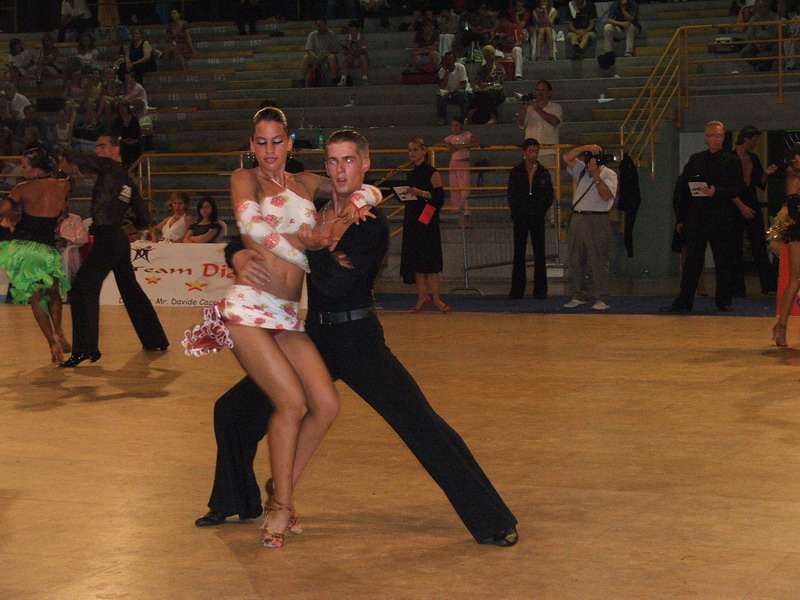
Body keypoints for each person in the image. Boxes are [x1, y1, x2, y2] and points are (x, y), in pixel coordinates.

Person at [195, 128, 519, 548]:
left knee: (420, 422)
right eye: (332, 160)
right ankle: (234, 501)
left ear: (364, 164)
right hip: (314, 336)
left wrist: (310, 248)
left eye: (349, 160)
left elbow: (336, 283)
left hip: (358, 340)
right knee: (233, 410)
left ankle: (492, 519)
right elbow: (257, 234)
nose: (340, 169)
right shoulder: (313, 209)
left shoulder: (370, 223)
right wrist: (237, 253)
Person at [183, 111, 381, 547]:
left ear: (290, 143)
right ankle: (282, 506)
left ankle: (280, 485)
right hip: (249, 309)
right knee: (290, 403)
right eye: (261, 141)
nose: (269, 150)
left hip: (289, 315)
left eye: (277, 141)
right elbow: (251, 228)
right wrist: (305, 245)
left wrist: (366, 199)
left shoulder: (307, 182)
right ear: (251, 145)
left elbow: (356, 185)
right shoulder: (245, 178)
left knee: (326, 405)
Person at [59, 135, 169, 367]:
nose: (98, 150)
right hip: (117, 237)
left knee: (82, 288)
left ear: (116, 149)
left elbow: (76, 155)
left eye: (102, 146)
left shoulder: (109, 167)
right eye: (96, 146)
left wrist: (67, 159)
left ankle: (85, 349)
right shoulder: (127, 179)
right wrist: (124, 229)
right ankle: (155, 339)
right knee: (130, 290)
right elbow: (144, 217)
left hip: (108, 238)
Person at [661, 121, 744, 313]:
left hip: (721, 217)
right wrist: (681, 218)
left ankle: (724, 300)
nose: (717, 139)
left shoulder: (732, 161)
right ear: (706, 138)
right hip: (697, 217)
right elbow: (683, 189)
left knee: (723, 260)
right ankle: (684, 300)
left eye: (720, 135)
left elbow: (738, 188)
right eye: (713, 135)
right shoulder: (696, 159)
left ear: (724, 137)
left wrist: (717, 191)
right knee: (692, 261)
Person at [0, 147, 71, 363]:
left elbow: (3, 209)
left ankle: (52, 343)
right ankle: (59, 331)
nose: (22, 170)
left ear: (37, 168)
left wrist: (16, 218)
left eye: (25, 166)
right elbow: (64, 212)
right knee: (54, 292)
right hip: (47, 248)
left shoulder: (22, 188)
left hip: (24, 248)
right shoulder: (63, 186)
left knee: (36, 297)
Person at [562, 143, 618, 311]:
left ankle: (602, 297)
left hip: (597, 218)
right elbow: (567, 158)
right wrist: (585, 147)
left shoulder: (609, 174)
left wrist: (596, 175)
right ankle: (579, 294)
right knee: (575, 258)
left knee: (599, 259)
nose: (592, 161)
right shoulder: (581, 170)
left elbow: (606, 195)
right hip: (578, 217)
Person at [401, 138, 449, 313]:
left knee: (431, 261)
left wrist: (420, 192)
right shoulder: (410, 174)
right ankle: (421, 296)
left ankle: (437, 299)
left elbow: (439, 197)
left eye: (415, 149)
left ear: (424, 151)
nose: (412, 153)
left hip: (427, 219)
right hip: (413, 217)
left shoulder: (432, 173)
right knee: (416, 261)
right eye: (410, 150)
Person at [731, 125, 778, 296]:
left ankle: (768, 284)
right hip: (734, 206)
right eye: (755, 140)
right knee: (735, 247)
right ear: (746, 139)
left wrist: (766, 174)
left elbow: (759, 182)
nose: (756, 143)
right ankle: (737, 287)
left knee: (759, 244)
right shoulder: (729, 158)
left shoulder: (753, 158)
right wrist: (741, 206)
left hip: (751, 202)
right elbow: (728, 187)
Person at [508, 138, 555, 299]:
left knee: (539, 253)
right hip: (521, 216)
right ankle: (517, 290)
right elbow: (512, 194)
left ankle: (540, 290)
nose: (533, 154)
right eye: (530, 151)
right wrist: (516, 211)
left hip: (537, 216)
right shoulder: (516, 171)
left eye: (536, 151)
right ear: (524, 152)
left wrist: (541, 210)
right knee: (519, 253)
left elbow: (549, 194)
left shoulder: (543, 172)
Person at [772, 143, 800, 346]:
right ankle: (781, 326)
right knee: (795, 280)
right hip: (797, 232)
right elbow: (794, 211)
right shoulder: (793, 179)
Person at [441, 117, 479, 229]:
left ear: (462, 125)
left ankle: (466, 218)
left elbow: (476, 143)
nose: (454, 128)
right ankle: (459, 218)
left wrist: (461, 146)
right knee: (455, 190)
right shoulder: (450, 138)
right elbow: (438, 143)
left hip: (463, 163)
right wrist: (448, 145)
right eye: (452, 126)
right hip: (453, 164)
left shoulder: (467, 134)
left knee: (464, 190)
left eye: (457, 125)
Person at [515, 79, 562, 167]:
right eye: (538, 90)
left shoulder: (556, 107)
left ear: (549, 93)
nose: (539, 93)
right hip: (530, 153)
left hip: (549, 152)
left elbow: (554, 121)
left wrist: (537, 109)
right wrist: (524, 106)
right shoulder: (529, 109)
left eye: (542, 90)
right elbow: (520, 124)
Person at [468, 45, 505, 125]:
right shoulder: (482, 69)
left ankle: (494, 117)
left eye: (491, 54)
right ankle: (472, 117)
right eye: (487, 55)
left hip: (497, 92)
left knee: (490, 94)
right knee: (475, 95)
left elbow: (499, 82)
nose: (490, 57)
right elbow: (478, 81)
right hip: (483, 91)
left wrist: (487, 84)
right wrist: (482, 85)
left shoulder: (499, 67)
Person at [740, 0, 779, 72]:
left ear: (767, 7)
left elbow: (777, 33)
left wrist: (769, 42)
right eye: (759, 7)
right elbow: (750, 34)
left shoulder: (775, 17)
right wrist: (757, 43)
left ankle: (762, 66)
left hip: (772, 41)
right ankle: (760, 65)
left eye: (763, 7)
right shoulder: (753, 18)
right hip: (757, 41)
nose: (761, 10)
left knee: (777, 50)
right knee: (744, 52)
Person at [436, 51, 473, 125]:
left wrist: (452, 91)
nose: (448, 62)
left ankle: (464, 118)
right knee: (439, 96)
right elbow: (442, 86)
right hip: (450, 93)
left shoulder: (460, 68)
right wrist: (446, 72)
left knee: (461, 93)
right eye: (446, 60)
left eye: (450, 60)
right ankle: (442, 118)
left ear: (454, 60)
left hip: (463, 92)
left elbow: (463, 85)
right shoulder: (442, 71)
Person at [300, 19, 339, 87]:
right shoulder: (312, 34)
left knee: (332, 57)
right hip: (315, 56)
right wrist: (315, 56)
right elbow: (309, 49)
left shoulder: (331, 34)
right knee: (306, 57)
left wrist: (324, 56)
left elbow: (334, 49)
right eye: (318, 26)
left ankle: (333, 79)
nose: (320, 27)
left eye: (322, 25)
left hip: (327, 56)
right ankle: (302, 80)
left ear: (325, 25)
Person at [490, 12, 525, 80]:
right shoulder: (498, 29)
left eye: (504, 21)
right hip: (501, 52)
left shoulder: (516, 27)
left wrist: (509, 44)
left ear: (508, 20)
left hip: (511, 51)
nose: (503, 23)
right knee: (489, 51)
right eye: (501, 21)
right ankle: (488, 74)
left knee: (517, 49)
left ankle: (518, 75)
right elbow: (494, 42)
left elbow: (520, 43)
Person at [339, 20, 369, 87]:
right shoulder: (346, 37)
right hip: (351, 58)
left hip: (360, 57)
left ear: (358, 30)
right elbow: (345, 52)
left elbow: (364, 50)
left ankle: (365, 78)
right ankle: (343, 79)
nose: (352, 33)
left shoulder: (362, 37)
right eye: (350, 31)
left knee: (362, 57)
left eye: (354, 31)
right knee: (346, 59)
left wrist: (358, 49)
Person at [111, 102, 142, 166]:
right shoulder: (117, 121)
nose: (122, 110)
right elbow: (115, 134)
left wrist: (134, 140)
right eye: (120, 108)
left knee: (135, 147)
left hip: (133, 141)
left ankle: (135, 166)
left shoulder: (134, 120)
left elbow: (138, 132)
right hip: (121, 142)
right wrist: (123, 140)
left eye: (124, 108)